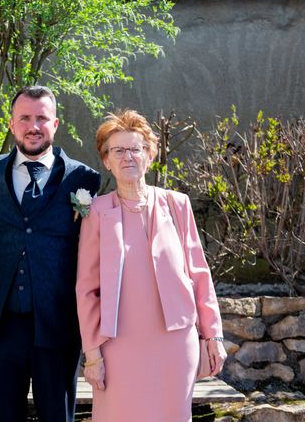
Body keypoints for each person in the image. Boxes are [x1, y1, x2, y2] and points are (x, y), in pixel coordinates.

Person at [76, 109, 227, 422]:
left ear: (149, 155)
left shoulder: (177, 204)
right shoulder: (97, 212)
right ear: (106, 160)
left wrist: (213, 336)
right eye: (118, 150)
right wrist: (92, 354)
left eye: (136, 149)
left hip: (175, 342)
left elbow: (199, 274)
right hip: (117, 346)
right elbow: (87, 289)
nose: (128, 157)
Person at [0, 85, 101, 422]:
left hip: (57, 324)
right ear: (12, 124)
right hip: (0, 326)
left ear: (55, 124)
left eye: (41, 118)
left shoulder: (84, 179)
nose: (33, 126)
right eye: (25, 118)